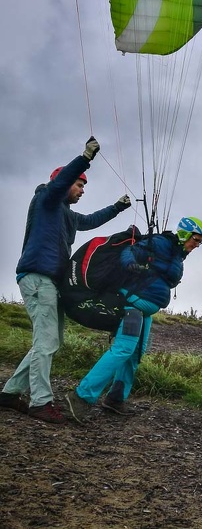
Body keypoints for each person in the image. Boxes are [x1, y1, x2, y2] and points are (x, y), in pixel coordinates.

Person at [0, 138, 131, 424]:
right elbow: (59, 185)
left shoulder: (67, 216)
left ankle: (10, 394)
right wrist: (85, 158)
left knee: (50, 341)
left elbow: (92, 221)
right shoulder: (45, 200)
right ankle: (40, 402)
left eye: (84, 186)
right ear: (63, 181)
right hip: (37, 278)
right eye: (80, 185)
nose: (82, 190)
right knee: (46, 341)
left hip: (50, 283)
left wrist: (117, 208)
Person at [65, 217, 202, 422]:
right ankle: (81, 397)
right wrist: (131, 264)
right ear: (185, 233)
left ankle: (115, 399)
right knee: (123, 349)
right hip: (133, 306)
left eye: (200, 241)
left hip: (145, 311)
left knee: (136, 354)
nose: (197, 244)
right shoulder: (160, 242)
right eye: (196, 239)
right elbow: (129, 251)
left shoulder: (178, 254)